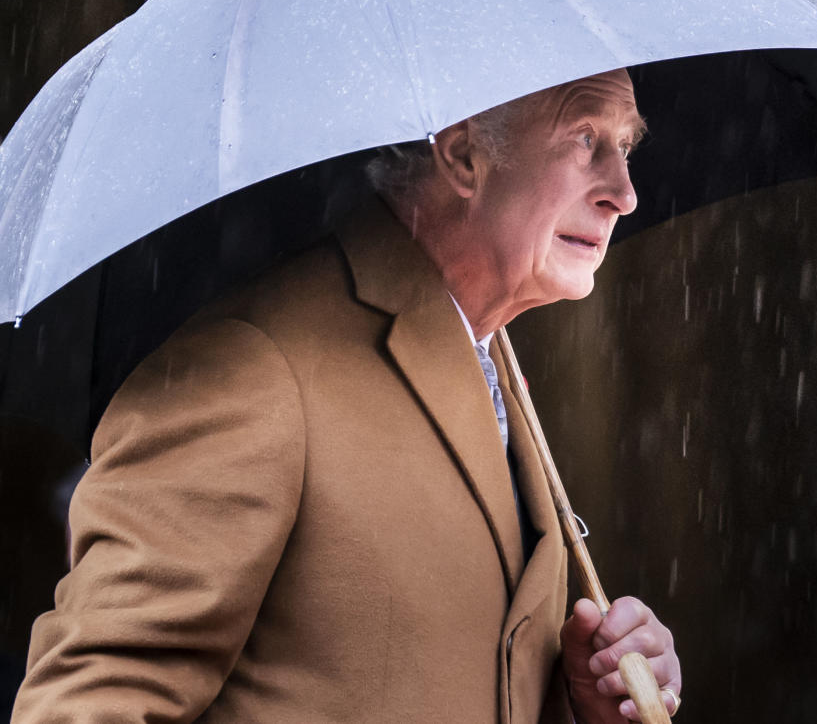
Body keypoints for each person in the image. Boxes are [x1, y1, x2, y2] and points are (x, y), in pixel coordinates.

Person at [12, 68, 681, 723]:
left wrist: (585, 702)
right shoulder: (253, 367)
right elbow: (87, 703)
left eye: (625, 146)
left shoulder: (491, 358)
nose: (623, 193)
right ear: (463, 153)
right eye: (586, 139)